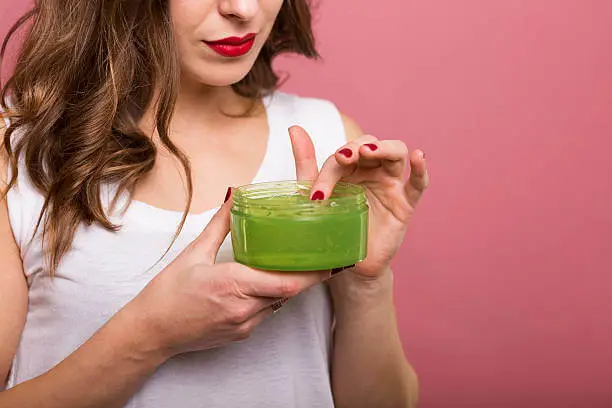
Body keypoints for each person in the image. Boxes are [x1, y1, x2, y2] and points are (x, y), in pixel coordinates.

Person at [0, 1, 428, 407]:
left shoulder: (328, 142)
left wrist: (366, 284)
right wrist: (151, 334)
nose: (242, 9)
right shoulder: (18, 151)